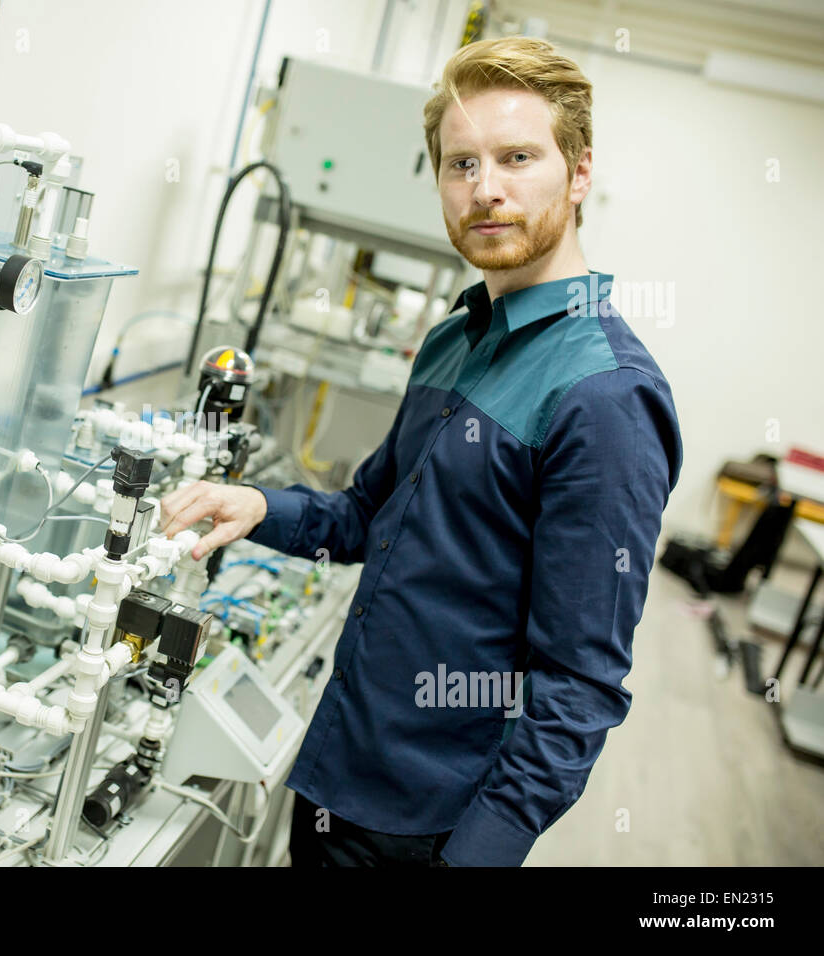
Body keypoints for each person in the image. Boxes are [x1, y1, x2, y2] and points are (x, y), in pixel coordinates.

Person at [159, 35, 682, 866]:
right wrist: (257, 505)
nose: (487, 190)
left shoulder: (605, 396)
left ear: (580, 172)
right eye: (460, 164)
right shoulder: (451, 341)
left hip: (430, 822)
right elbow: (369, 515)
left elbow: (576, 687)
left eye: (517, 158)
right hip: (336, 767)